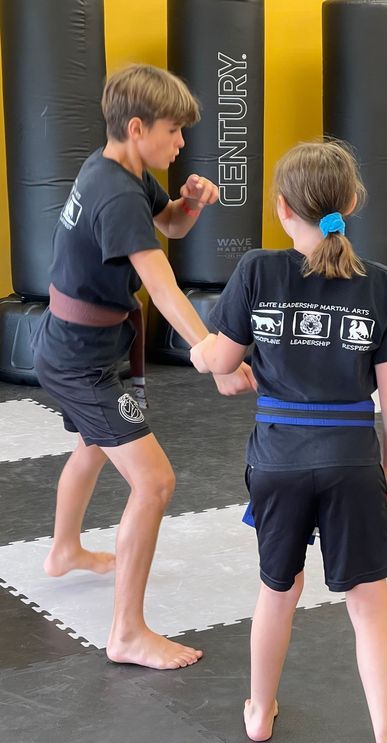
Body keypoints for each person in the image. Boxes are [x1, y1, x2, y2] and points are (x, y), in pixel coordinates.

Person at [190, 140, 387, 743]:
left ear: (281, 209)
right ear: (350, 204)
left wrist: (211, 359)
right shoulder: (380, 282)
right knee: (369, 605)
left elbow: (220, 360)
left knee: (279, 589)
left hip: (277, 457)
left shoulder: (257, 270)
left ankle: (259, 711)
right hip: (353, 457)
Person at [32, 64, 256, 669]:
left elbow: (169, 227)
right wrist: (211, 353)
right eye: (175, 131)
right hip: (82, 360)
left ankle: (63, 551)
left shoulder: (120, 169)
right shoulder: (115, 191)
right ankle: (127, 632)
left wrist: (189, 203)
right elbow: (161, 286)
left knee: (91, 445)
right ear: (138, 127)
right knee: (155, 483)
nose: (182, 143)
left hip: (81, 347)